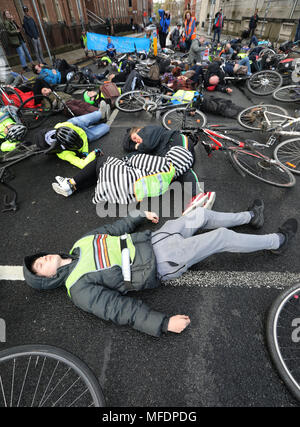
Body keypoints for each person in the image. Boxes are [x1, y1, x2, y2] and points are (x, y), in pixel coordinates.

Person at [23, 202, 298, 337]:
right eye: (39, 266)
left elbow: (112, 230)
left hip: (154, 238)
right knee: (221, 238)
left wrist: (139, 216)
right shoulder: (78, 288)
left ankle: (251, 217)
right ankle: (278, 242)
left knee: (200, 214)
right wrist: (163, 323)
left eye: (40, 258)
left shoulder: (80, 244)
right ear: (46, 280)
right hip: (161, 262)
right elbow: (119, 310)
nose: (44, 259)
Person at [122, 125, 216, 213]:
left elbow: (148, 144)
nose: (137, 142)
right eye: (134, 142)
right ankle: (201, 197)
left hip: (176, 142)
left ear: (138, 130)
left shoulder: (147, 130)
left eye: (135, 138)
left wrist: (136, 147)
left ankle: (199, 195)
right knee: (177, 170)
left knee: (177, 164)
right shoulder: (151, 143)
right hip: (172, 149)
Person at [35, 110, 110, 169]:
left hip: (75, 125)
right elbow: (82, 164)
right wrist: (94, 153)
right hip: (85, 136)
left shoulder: (64, 126)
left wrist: (84, 152)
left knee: (97, 115)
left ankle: (101, 115)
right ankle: (97, 122)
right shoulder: (63, 153)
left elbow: (82, 133)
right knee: (106, 127)